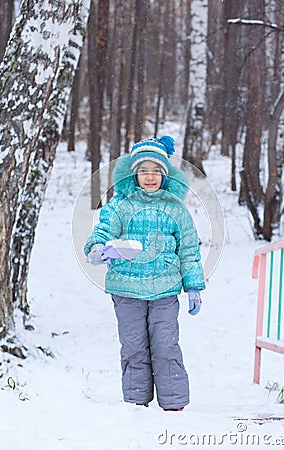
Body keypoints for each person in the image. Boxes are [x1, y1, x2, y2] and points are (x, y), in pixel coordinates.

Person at [84, 135, 205, 411]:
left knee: (165, 345)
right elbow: (104, 230)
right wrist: (97, 248)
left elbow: (188, 250)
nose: (149, 177)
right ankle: (136, 403)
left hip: (165, 291)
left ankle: (173, 403)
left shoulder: (177, 209)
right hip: (126, 290)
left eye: (155, 171)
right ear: (134, 173)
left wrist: (194, 286)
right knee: (134, 346)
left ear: (164, 174)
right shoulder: (120, 204)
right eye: (143, 171)